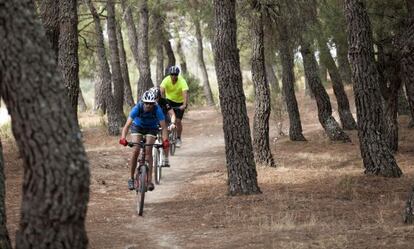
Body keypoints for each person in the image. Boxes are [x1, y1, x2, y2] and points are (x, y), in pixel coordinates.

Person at [119, 90, 169, 191]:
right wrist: (123, 138)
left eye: (150, 104)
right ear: (143, 102)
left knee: (148, 151)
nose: (148, 106)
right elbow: (127, 125)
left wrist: (165, 140)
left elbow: (163, 127)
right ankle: (131, 179)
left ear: (154, 103)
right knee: (136, 150)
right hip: (138, 126)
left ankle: (149, 180)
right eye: (146, 103)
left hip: (151, 128)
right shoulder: (137, 108)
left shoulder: (157, 109)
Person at [160, 65, 189, 147]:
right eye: (172, 74)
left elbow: (185, 93)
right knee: (168, 120)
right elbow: (161, 91)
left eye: (175, 75)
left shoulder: (182, 81)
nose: (173, 76)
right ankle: (167, 135)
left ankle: (178, 138)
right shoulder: (166, 80)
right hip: (169, 101)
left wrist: (184, 104)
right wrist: (162, 101)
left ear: (177, 75)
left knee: (178, 121)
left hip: (180, 102)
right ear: (169, 75)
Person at [150, 86, 176, 167]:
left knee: (165, 139)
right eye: (153, 98)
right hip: (153, 122)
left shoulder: (165, 102)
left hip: (165, 121)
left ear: (159, 97)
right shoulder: (149, 102)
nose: (155, 100)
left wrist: (172, 123)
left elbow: (172, 114)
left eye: (156, 98)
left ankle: (166, 158)